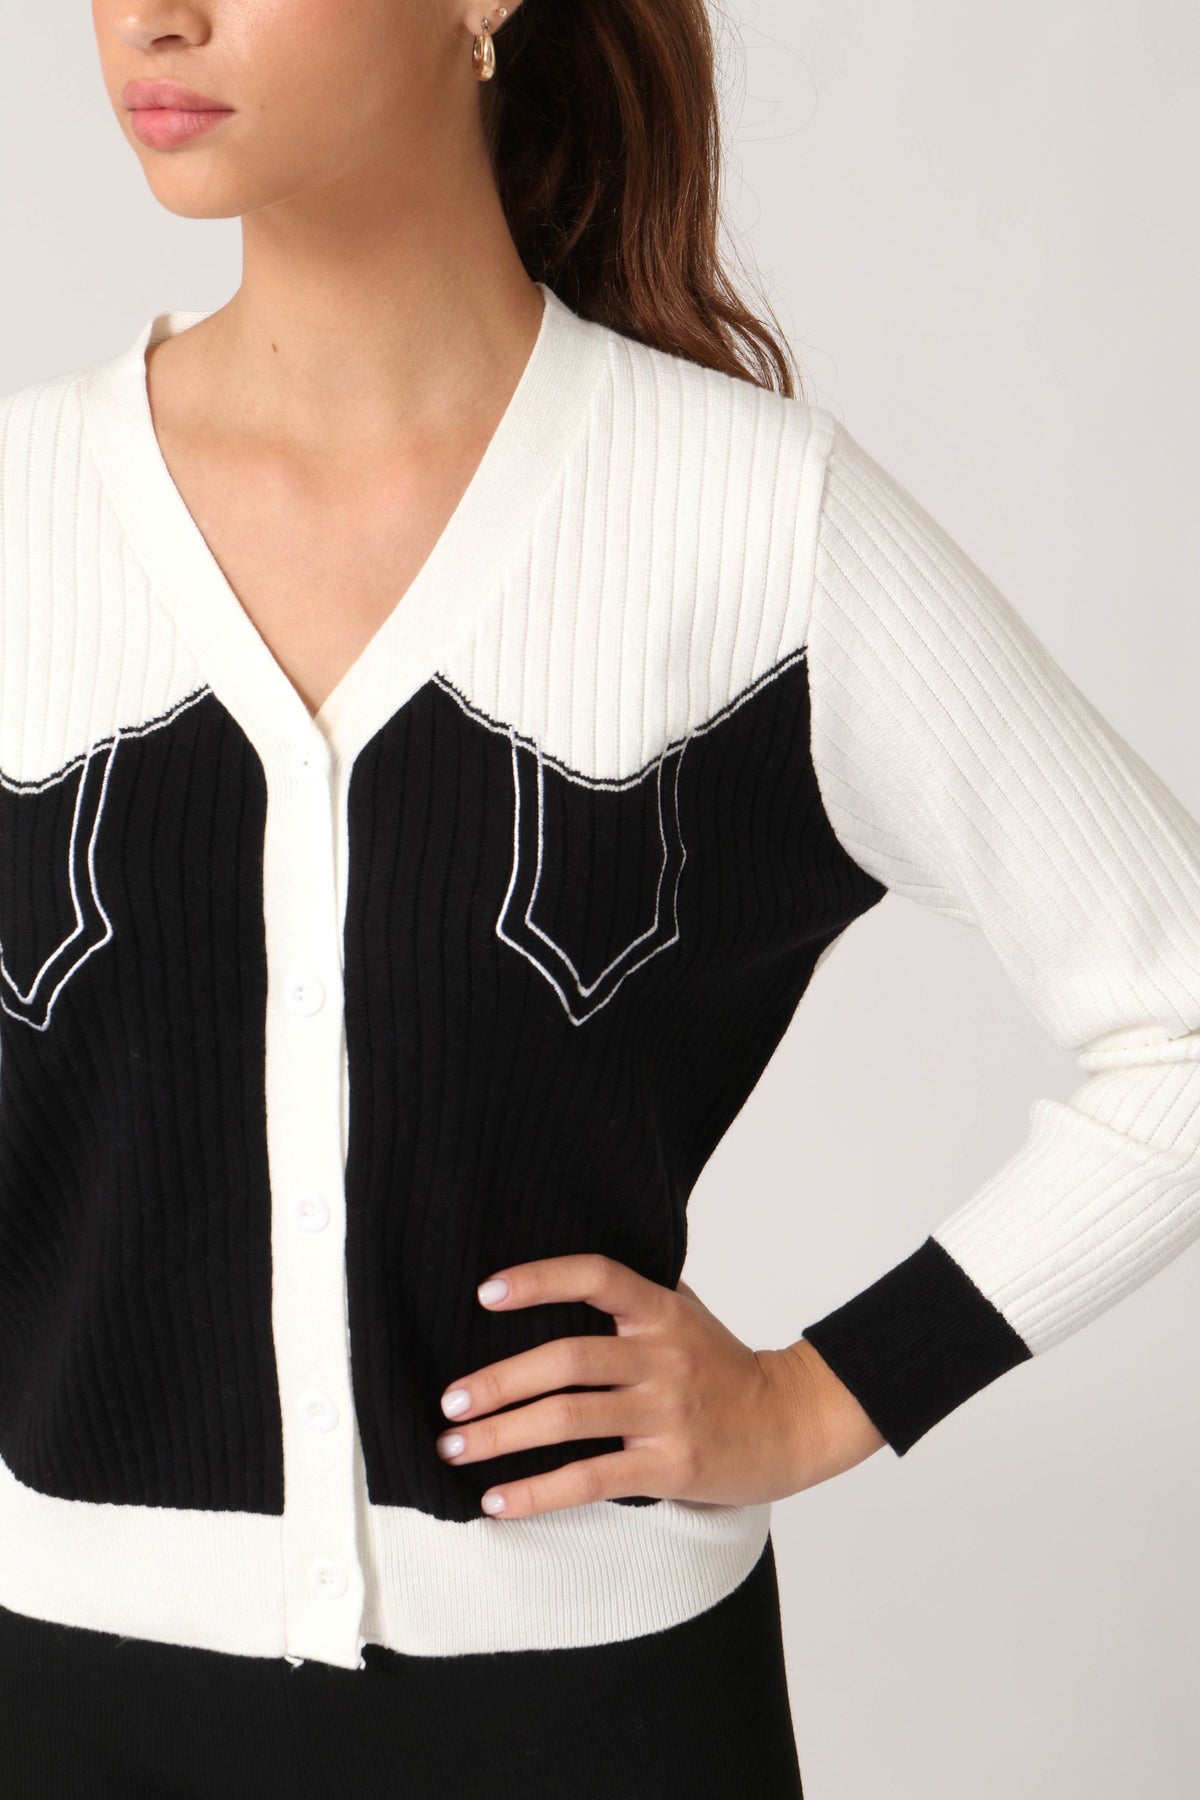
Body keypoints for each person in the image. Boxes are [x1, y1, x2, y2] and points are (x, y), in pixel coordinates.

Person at [0, 0, 1196, 1795]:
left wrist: (824, 1393)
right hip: (62, 1707)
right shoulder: (19, 514)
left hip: (596, 1723)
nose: (154, 17)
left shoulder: (749, 522)